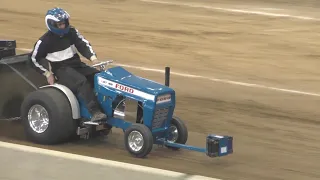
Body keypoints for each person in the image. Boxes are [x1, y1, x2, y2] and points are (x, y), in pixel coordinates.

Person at [29, 7, 107, 122]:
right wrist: (47, 74)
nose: (63, 27)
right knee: (81, 82)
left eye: (64, 23)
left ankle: (106, 107)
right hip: (61, 69)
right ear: (51, 24)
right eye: (59, 24)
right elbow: (33, 59)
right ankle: (95, 112)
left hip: (76, 65)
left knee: (99, 77)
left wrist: (93, 59)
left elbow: (83, 44)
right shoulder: (44, 42)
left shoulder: (72, 32)